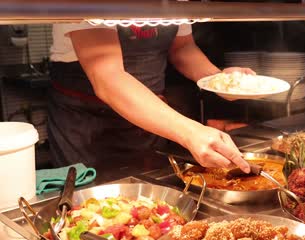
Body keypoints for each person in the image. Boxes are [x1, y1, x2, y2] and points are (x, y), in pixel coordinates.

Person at [47, 21, 251, 173]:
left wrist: (220, 80)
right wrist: (190, 132)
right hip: (88, 128)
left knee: (150, 205)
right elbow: (108, 77)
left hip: (152, 120)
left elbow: (182, 48)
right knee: (90, 213)